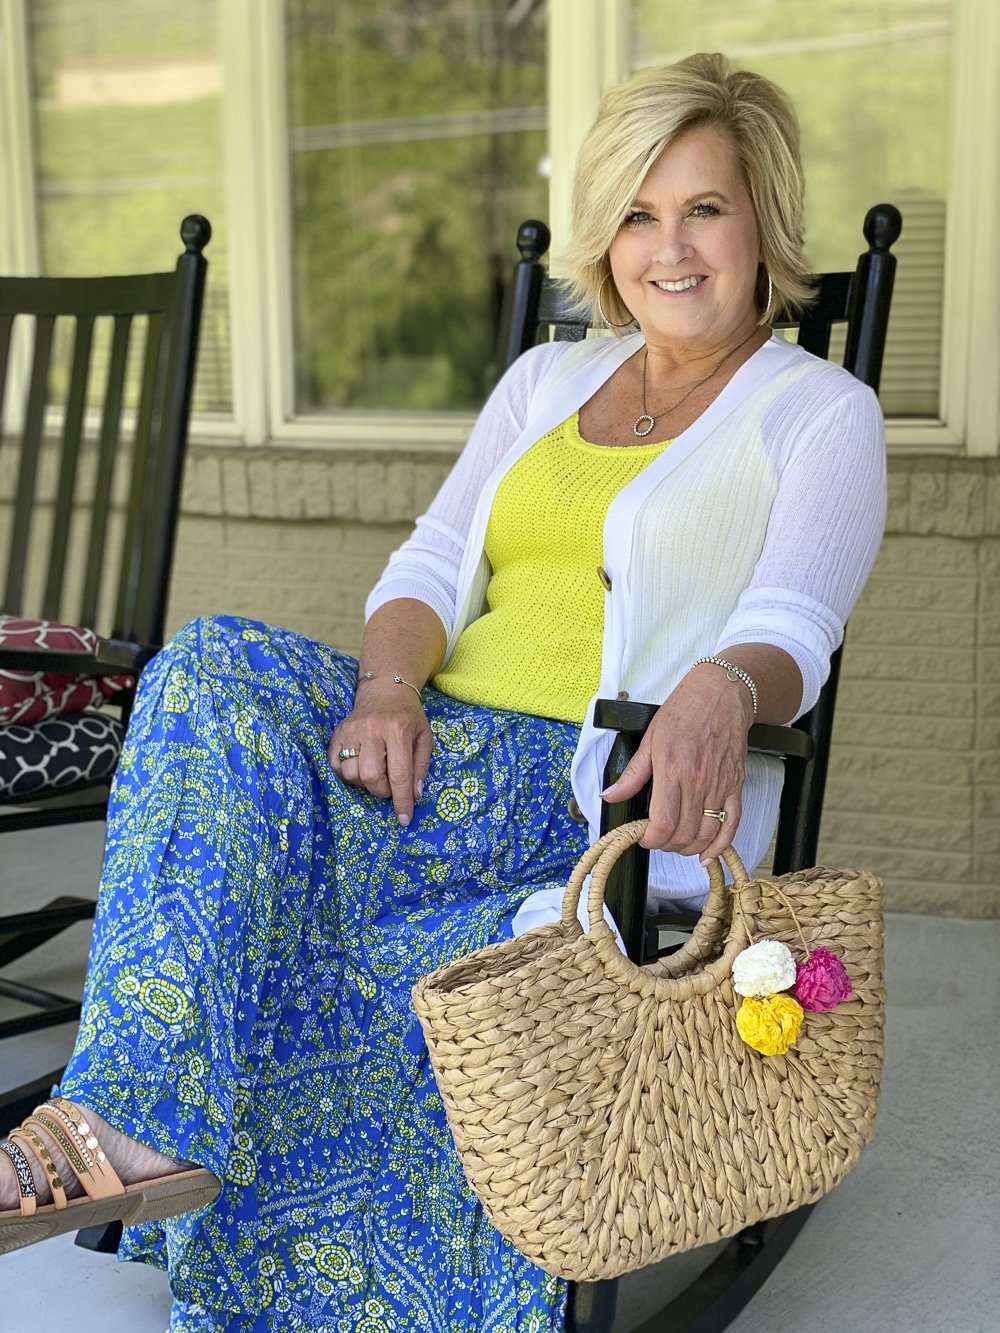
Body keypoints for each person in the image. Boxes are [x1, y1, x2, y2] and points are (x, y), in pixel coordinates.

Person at [0, 51, 885, 1332]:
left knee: (312, 914)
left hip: (581, 797)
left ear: (764, 222)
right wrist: (384, 691)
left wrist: (722, 686)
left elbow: (791, 625)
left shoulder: (816, 412)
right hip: (430, 757)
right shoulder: (547, 382)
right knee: (207, 659)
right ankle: (132, 1115)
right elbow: (425, 568)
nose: (669, 248)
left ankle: (142, 1136)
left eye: (704, 208)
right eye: (637, 214)